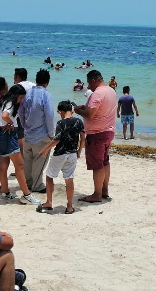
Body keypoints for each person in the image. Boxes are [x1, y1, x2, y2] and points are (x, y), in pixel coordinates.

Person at [73, 70, 117, 203]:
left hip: (97, 133)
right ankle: (104, 190)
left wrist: (77, 110)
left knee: (97, 165)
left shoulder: (97, 93)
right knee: (105, 161)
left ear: (93, 80)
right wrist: (84, 107)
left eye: (89, 84)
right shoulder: (111, 91)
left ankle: (97, 194)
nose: (88, 87)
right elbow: (100, 109)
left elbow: (90, 114)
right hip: (109, 131)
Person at [37, 101, 85, 214]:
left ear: (61, 112)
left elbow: (57, 140)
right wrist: (79, 151)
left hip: (60, 154)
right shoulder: (79, 121)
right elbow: (83, 138)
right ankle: (69, 206)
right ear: (71, 110)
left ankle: (49, 202)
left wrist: (45, 150)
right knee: (69, 179)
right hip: (72, 153)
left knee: (49, 177)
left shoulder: (60, 123)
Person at [0, 85, 40, 205]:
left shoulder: (2, 100)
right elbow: (5, 116)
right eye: (20, 97)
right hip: (8, 134)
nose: (21, 100)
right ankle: (26, 195)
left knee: (3, 165)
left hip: (0, 133)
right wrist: (10, 123)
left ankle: (5, 192)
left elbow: (0, 116)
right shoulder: (10, 102)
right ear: (15, 95)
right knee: (19, 166)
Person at [20, 69, 53, 195]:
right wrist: (51, 133)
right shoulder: (46, 95)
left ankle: (28, 182)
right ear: (47, 82)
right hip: (41, 134)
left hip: (28, 133)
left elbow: (21, 112)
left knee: (28, 160)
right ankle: (37, 185)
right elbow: (49, 116)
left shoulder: (27, 93)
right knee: (40, 160)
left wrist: (24, 126)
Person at [12, 68, 36, 154]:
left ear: (17, 77)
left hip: (22, 116)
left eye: (14, 76)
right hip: (34, 116)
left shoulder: (17, 87)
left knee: (21, 138)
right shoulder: (34, 85)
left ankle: (23, 158)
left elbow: (13, 104)